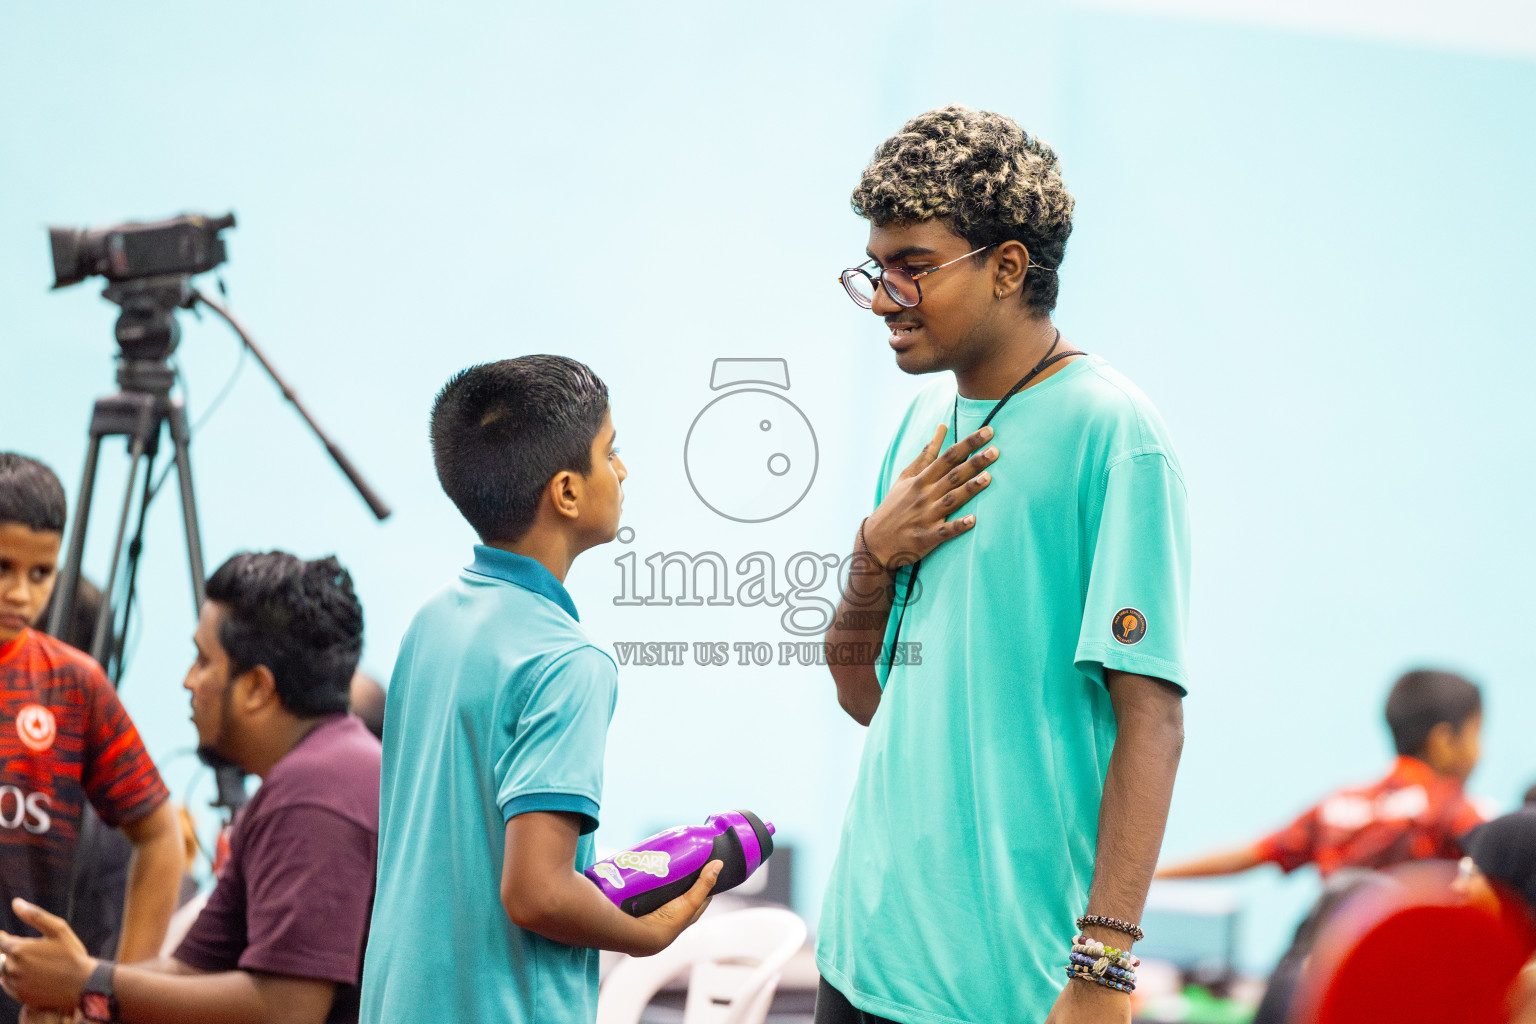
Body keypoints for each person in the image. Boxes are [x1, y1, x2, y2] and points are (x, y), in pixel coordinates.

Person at [818, 107, 1191, 1024]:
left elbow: (1153, 724)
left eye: (912, 267)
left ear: (1009, 267)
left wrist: (1102, 969)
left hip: (1005, 985)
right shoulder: (921, 429)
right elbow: (864, 694)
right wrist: (871, 554)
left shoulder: (1114, 436)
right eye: (875, 268)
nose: (881, 296)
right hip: (861, 953)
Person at [361, 356, 719, 1024]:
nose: (623, 469)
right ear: (567, 492)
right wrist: (648, 934)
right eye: (610, 452)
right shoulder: (567, 663)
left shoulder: (431, 622)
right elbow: (537, 894)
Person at [0, 550, 379, 1024]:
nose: (186, 681)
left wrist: (89, 984)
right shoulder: (302, 781)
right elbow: (189, 969)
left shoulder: (317, 793)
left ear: (257, 689)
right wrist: (80, 996)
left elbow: (287, 1008)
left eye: (203, 660)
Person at [0, 453, 181, 1024]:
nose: (20, 595)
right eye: (1, 567)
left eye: (39, 574)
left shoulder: (73, 686)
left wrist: (112, 993)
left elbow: (160, 837)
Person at [1157, 669, 1484, 881]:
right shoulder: (1455, 811)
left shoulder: (1338, 806)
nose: (1481, 751)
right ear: (1443, 741)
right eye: (1476, 735)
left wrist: (1150, 874)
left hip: (1328, 973)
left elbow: (1247, 855)